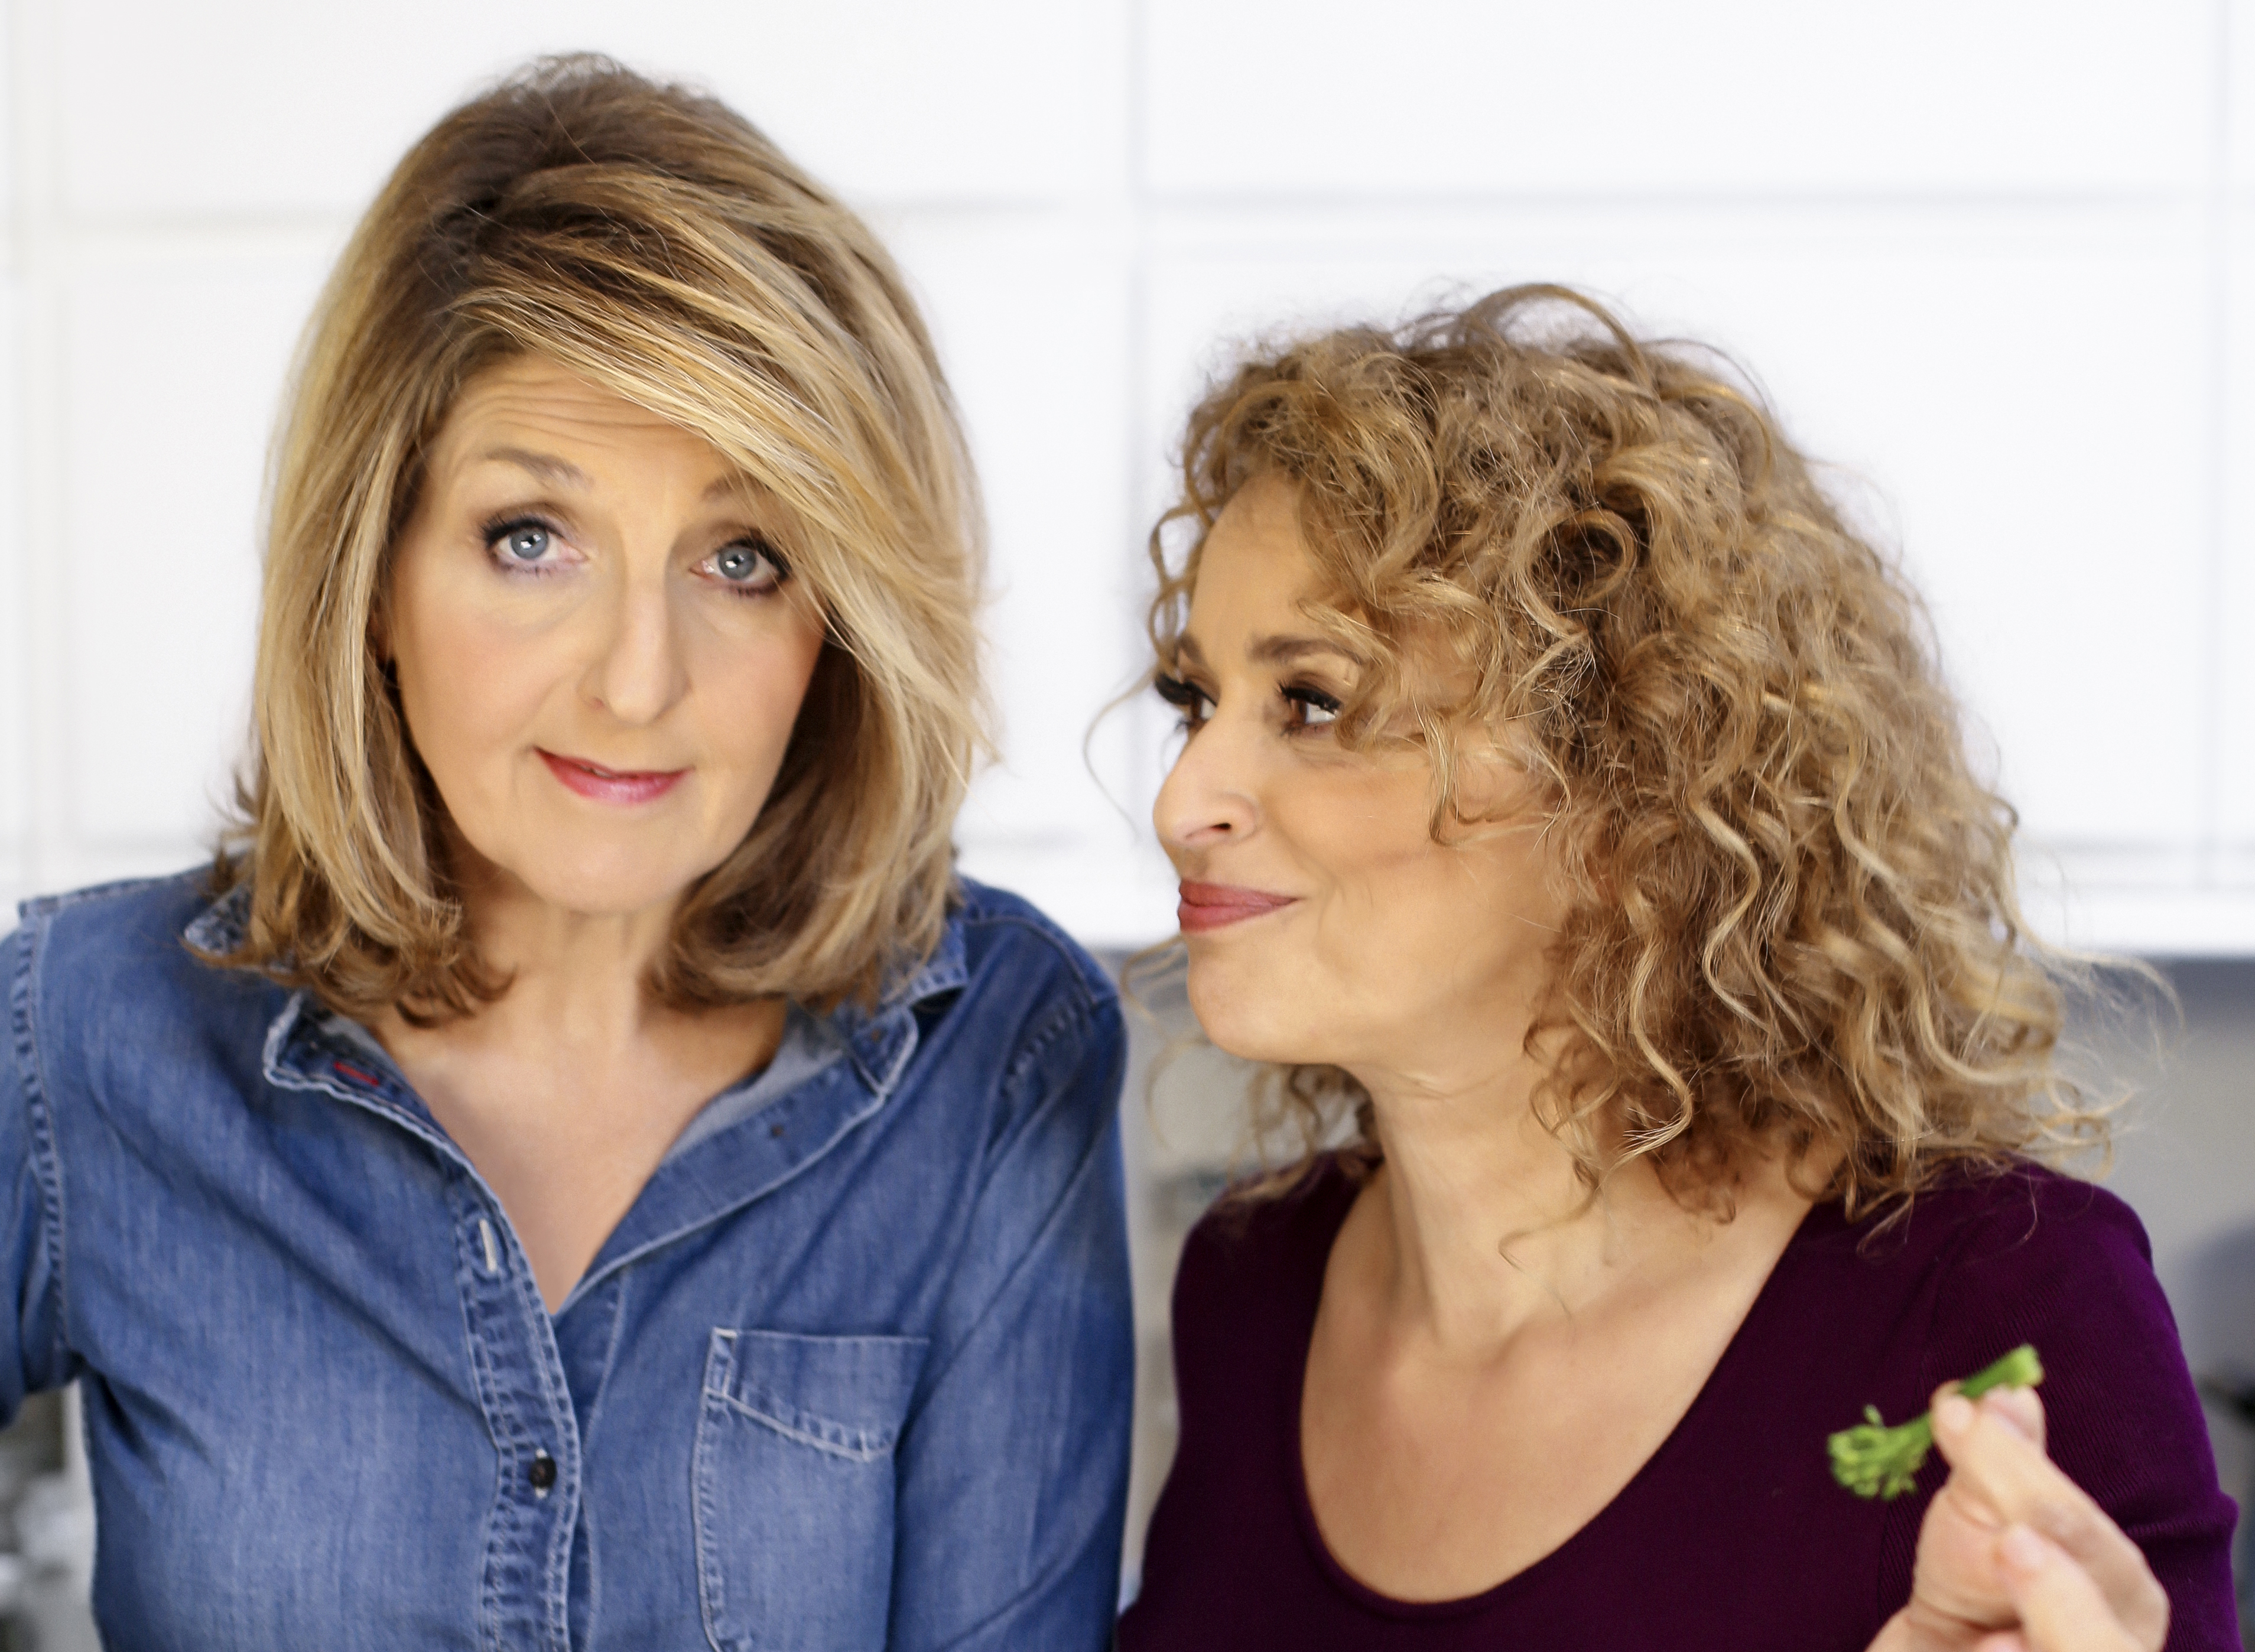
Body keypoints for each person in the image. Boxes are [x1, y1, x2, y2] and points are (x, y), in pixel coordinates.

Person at [0, 58, 1132, 1648]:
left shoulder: (995, 1050)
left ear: (843, 623)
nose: (637, 680)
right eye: (530, 537)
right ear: (374, 579)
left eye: (743, 558)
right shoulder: (84, 1036)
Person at [1117, 287, 2238, 1650]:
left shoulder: (1997, 1306)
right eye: (1196, 699)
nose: (1185, 800)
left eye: (1315, 703)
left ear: (1629, 792)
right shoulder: (1253, 1286)